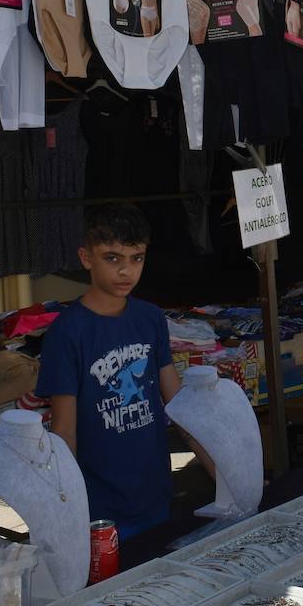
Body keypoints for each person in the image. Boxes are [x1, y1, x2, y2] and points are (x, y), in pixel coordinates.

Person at [37, 203, 189, 538]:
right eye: (112, 258)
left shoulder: (151, 319)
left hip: (155, 492)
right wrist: (67, 514)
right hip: (99, 509)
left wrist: (222, 472)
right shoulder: (67, 333)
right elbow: (64, 434)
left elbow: (180, 406)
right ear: (86, 257)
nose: (126, 271)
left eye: (136, 258)